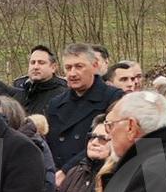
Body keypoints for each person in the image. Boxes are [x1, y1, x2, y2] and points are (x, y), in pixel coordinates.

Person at [46, 43, 123, 177]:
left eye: (79, 66)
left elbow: (107, 141)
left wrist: (67, 171)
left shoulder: (113, 98)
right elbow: (50, 145)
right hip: (57, 177)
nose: (72, 73)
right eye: (68, 68)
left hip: (94, 174)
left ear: (94, 66)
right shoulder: (55, 104)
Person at [12, 45, 68, 116]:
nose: (35, 67)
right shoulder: (18, 89)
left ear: (53, 67)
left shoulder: (63, 95)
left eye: (41, 63)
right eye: (32, 62)